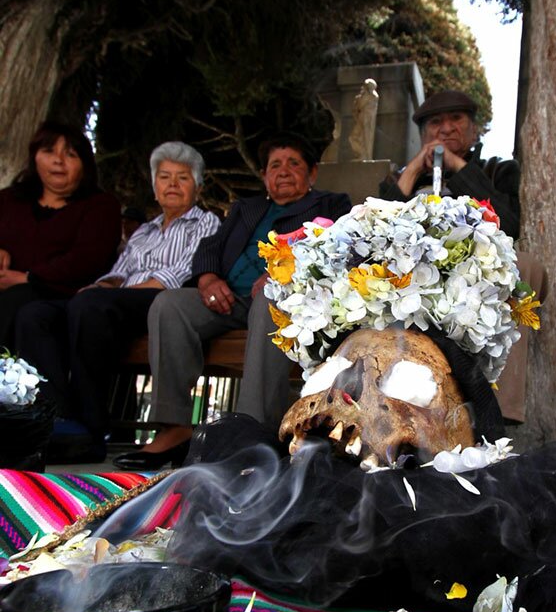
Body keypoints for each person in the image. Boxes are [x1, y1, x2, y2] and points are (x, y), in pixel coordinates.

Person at [113, 131, 352, 471]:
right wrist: (208, 278)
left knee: (271, 298)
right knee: (169, 305)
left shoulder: (332, 204)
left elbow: (337, 244)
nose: (283, 171)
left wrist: (284, 272)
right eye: (274, 165)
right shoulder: (246, 208)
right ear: (265, 176)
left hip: (286, 300)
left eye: (294, 164)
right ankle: (174, 428)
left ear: (312, 173)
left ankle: (252, 434)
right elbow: (210, 246)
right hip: (229, 299)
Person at [15, 141, 220, 461]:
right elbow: (118, 273)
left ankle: (92, 429)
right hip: (113, 302)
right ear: (154, 187)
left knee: (90, 306)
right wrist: (100, 286)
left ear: (198, 187)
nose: (172, 185)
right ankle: (57, 419)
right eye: (165, 177)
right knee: (35, 314)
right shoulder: (144, 232)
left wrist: (105, 294)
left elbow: (179, 275)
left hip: (160, 302)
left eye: (183, 178)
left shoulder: (206, 223)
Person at [0, 121, 122, 348]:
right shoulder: (8, 200)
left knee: (15, 303)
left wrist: (29, 279)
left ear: (84, 164)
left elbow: (88, 259)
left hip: (61, 298)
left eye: (70, 154)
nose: (58, 160)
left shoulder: (100, 207)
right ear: (34, 157)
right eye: (48, 151)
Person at [379, 90, 521, 239]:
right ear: (423, 136)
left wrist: (456, 164)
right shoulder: (398, 179)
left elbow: (509, 226)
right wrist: (412, 171)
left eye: (456, 118)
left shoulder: (497, 170)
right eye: (435, 121)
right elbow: (380, 233)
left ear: (473, 130)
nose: (447, 129)